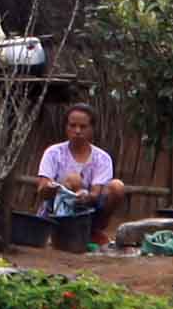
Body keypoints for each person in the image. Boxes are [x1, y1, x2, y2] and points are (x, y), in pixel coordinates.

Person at [31, 104, 125, 243]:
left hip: (88, 209)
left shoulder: (102, 158)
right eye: (72, 125)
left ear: (92, 129)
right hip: (57, 208)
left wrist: (85, 195)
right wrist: (57, 188)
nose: (77, 131)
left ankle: (93, 229)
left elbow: (95, 193)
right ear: (66, 127)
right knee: (74, 179)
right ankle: (58, 228)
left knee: (117, 187)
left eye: (83, 126)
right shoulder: (53, 153)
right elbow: (42, 189)